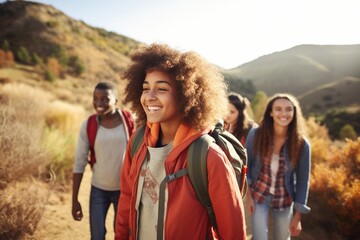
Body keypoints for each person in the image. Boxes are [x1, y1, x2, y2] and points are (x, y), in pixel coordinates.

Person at [114, 43, 246, 240]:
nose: (149, 97)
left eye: (161, 89)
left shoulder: (209, 157)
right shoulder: (138, 141)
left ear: (186, 95)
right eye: (145, 88)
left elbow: (233, 233)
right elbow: (126, 199)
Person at [72, 81, 135, 240]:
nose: (99, 103)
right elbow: (79, 161)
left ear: (116, 101)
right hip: (98, 190)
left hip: (125, 191)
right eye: (95, 98)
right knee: (97, 236)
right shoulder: (89, 125)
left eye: (105, 99)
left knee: (121, 235)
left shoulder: (130, 122)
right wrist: (75, 200)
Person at [245, 93, 311, 240]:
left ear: (294, 113)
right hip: (258, 195)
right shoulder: (256, 134)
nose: (284, 113)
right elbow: (246, 166)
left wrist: (298, 216)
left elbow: (302, 181)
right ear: (271, 112)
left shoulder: (302, 144)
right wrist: (249, 197)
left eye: (288, 109)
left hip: (284, 199)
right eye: (278, 109)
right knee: (259, 237)